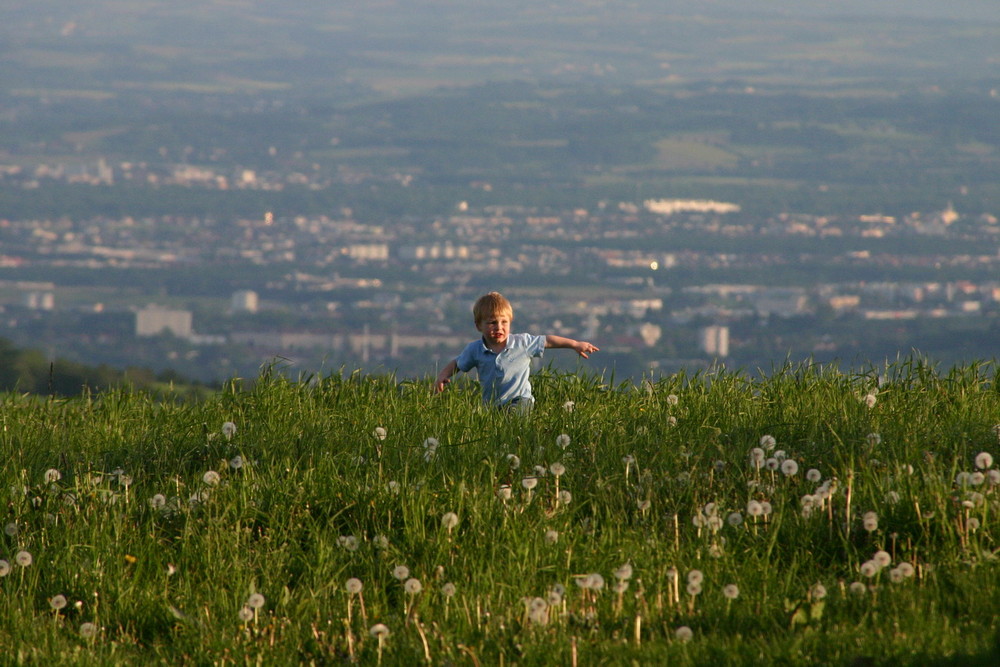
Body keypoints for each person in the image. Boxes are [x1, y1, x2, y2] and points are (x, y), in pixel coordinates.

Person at [434, 292, 599, 410]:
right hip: (491, 406)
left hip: (521, 401)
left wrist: (574, 344)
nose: (499, 327)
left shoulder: (522, 343)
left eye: (504, 322)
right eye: (492, 323)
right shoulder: (475, 349)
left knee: (515, 415)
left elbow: (548, 340)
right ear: (479, 325)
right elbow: (458, 362)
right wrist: (443, 376)